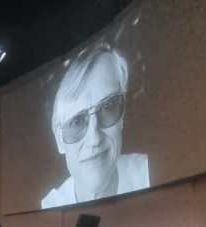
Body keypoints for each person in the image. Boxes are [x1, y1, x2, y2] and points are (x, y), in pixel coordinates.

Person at [41, 43, 149, 209]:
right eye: (76, 121)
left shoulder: (147, 174)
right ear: (59, 140)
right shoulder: (51, 206)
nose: (94, 139)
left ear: (122, 116)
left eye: (108, 107)